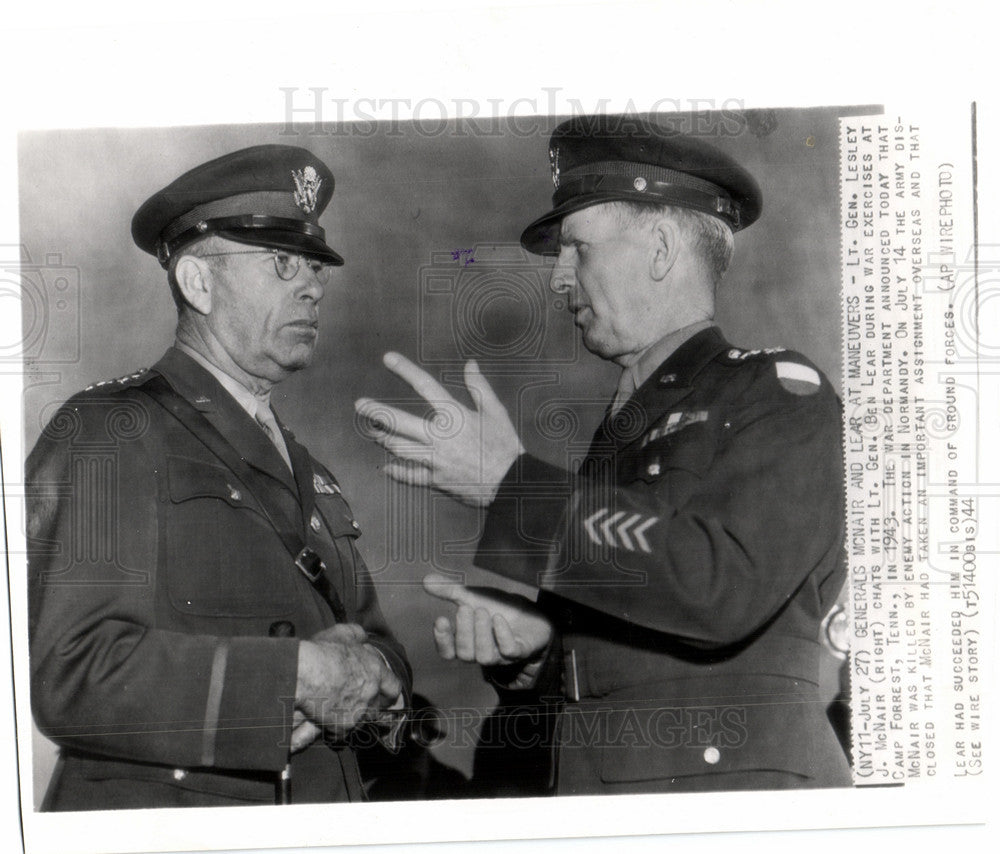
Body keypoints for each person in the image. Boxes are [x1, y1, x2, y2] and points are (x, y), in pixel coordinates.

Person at [355, 115, 851, 794]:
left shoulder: (776, 393)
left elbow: (719, 587)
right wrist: (540, 658)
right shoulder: (626, 425)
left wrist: (511, 486)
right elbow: (646, 635)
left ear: (660, 248)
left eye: (578, 249)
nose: (560, 280)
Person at [27, 144, 411, 810]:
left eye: (315, 266)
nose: (314, 286)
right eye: (282, 263)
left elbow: (372, 640)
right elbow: (73, 673)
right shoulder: (110, 432)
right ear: (197, 283)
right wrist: (296, 677)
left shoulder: (309, 472)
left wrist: (377, 669)